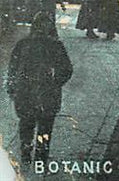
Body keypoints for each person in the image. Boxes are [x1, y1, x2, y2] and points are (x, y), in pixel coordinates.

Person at [6, 12, 73, 166]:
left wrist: (12, 88)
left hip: (25, 92)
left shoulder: (22, 44)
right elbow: (67, 70)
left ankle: (25, 153)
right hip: (48, 93)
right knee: (45, 126)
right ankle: (41, 158)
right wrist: (55, 83)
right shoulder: (56, 45)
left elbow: (12, 69)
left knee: (26, 124)